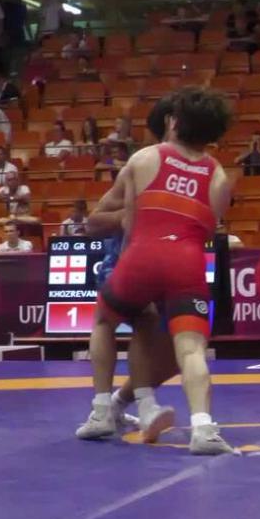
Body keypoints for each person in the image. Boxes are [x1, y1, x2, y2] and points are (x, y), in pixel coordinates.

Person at [95, 87, 236, 455]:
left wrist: (129, 261)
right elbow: (207, 230)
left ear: (174, 122)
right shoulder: (219, 175)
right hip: (187, 262)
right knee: (192, 350)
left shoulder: (145, 157)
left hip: (141, 255)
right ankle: (203, 428)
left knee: (104, 320)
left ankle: (102, 409)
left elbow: (131, 221)